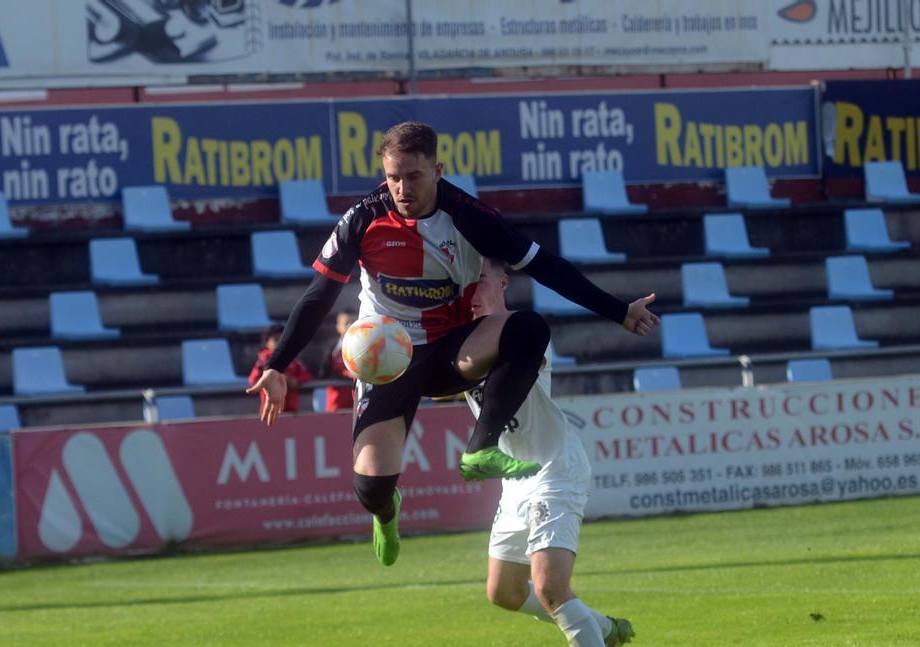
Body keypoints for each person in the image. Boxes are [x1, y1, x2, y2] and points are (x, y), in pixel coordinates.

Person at [247, 121, 658, 568]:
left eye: (413, 176)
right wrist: (278, 364)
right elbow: (318, 296)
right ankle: (387, 512)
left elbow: (548, 267)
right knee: (370, 487)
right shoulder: (363, 219)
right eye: (393, 177)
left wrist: (618, 310)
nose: (402, 188)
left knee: (529, 329)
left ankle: (481, 448)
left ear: (437, 169)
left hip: (453, 348)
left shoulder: (471, 217)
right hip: (389, 357)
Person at [467, 257, 634, 647]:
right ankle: (604, 628)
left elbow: (505, 369)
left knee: (550, 587)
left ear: (502, 282)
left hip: (555, 468)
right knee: (502, 592)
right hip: (515, 478)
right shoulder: (461, 343)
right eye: (464, 284)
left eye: (479, 280)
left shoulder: (524, 331)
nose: (472, 291)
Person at [248, 323, 313, 414]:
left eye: (282, 340)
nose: (280, 343)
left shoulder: (292, 359)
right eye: (276, 340)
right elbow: (253, 379)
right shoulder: (264, 360)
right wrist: (273, 379)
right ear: (267, 343)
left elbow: (307, 375)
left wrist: (295, 381)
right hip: (270, 409)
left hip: (291, 409)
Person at [318, 309, 358, 412]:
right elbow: (323, 374)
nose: (351, 326)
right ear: (338, 327)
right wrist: (345, 374)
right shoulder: (332, 348)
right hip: (337, 400)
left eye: (354, 322)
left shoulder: (366, 347)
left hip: (359, 399)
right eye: (347, 323)